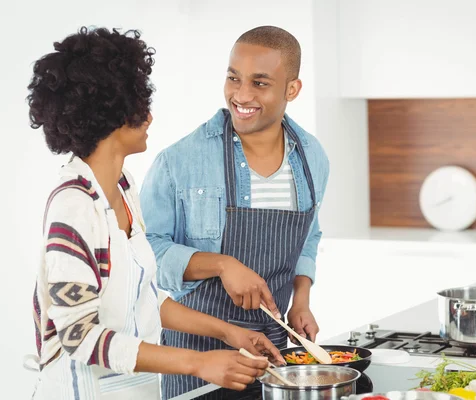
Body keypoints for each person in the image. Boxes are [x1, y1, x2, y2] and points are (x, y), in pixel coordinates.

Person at [27, 26, 283, 400]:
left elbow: (144, 301)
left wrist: (228, 333)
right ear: (110, 114)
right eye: (138, 103)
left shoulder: (124, 188)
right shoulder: (74, 208)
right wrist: (197, 362)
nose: (148, 114)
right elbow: (80, 337)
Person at [139, 25, 330, 398]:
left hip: (271, 351)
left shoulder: (312, 157)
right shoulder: (180, 160)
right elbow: (145, 259)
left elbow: (309, 237)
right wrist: (222, 264)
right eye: (233, 78)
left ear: (292, 89)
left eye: (260, 83)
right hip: (195, 354)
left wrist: (301, 300)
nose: (241, 95)